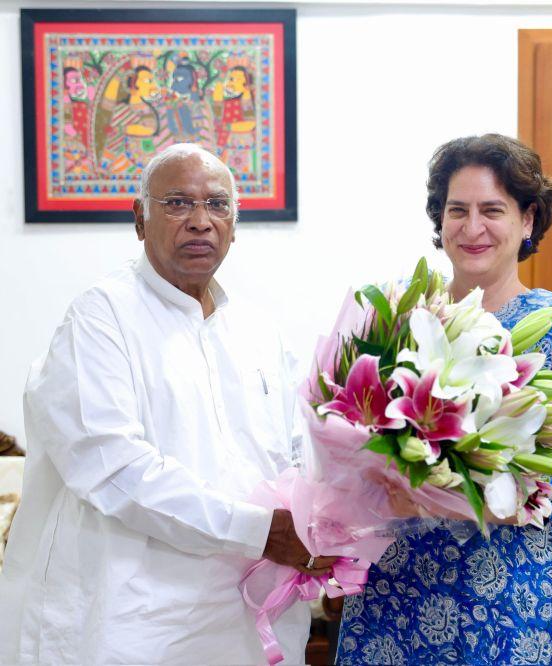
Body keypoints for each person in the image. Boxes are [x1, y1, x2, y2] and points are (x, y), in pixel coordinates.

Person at [0, 143, 336, 665]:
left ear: (234, 223)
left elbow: (293, 451)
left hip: (245, 615)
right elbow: (112, 466)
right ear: (140, 219)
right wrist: (258, 531)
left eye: (217, 205)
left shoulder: (256, 329)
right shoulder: (102, 315)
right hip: (137, 620)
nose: (201, 221)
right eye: (178, 203)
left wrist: (329, 515)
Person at [336, 134, 552, 665]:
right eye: (457, 210)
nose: (472, 227)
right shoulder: (400, 316)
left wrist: (429, 490)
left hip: (507, 607)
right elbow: (346, 437)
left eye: (492, 210)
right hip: (394, 597)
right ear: (439, 220)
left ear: (528, 221)